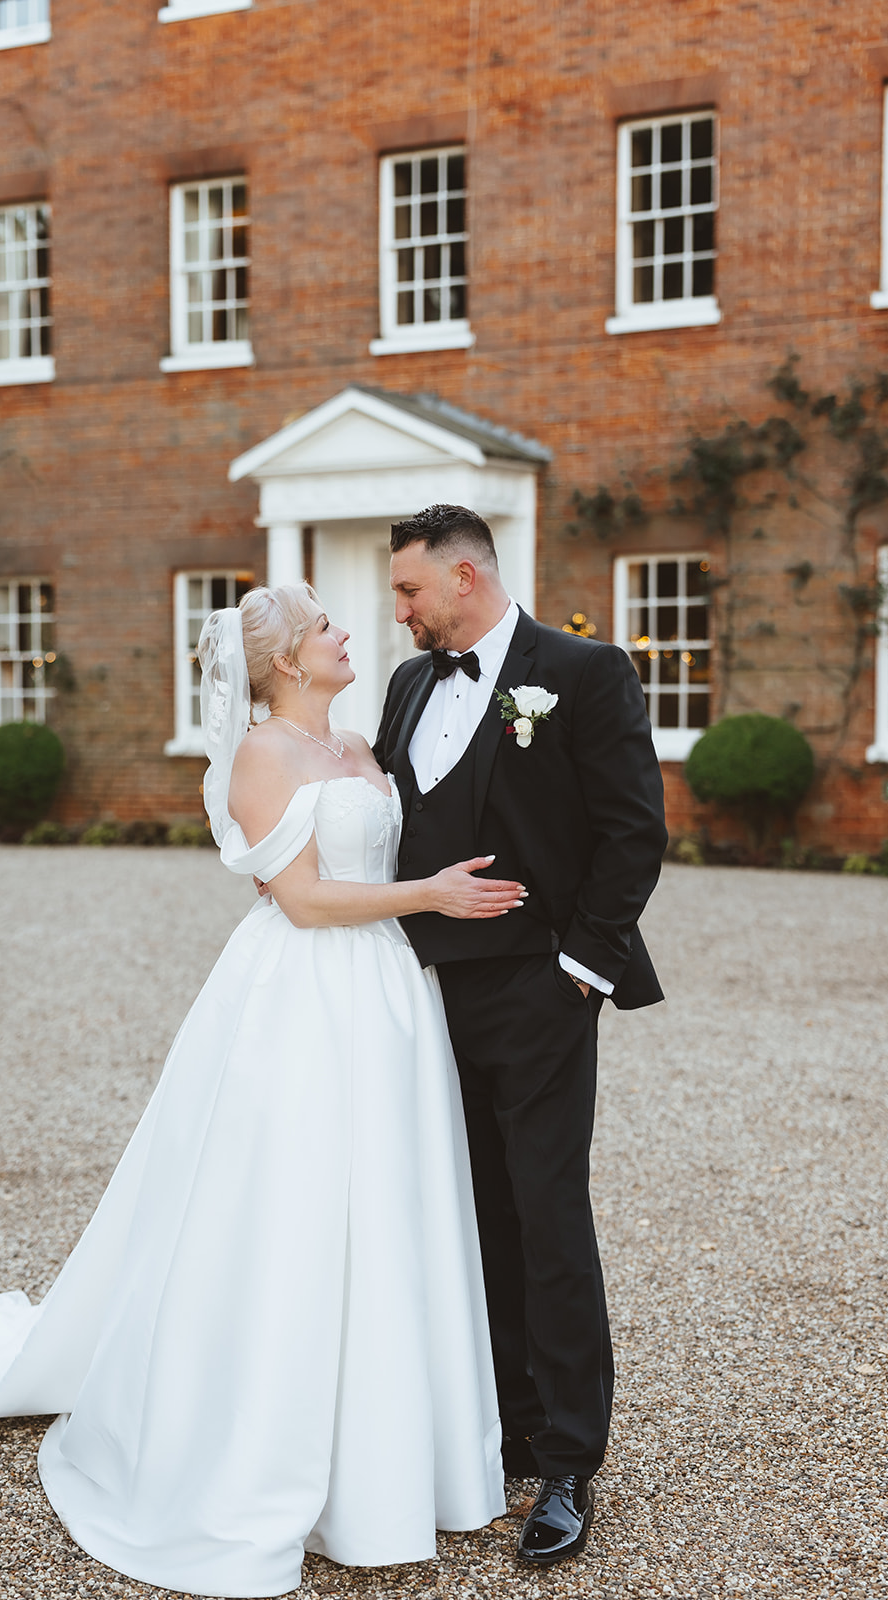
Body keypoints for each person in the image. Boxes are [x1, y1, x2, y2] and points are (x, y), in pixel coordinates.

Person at [0, 583, 525, 1599]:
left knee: (389, 1207)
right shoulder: (261, 757)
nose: (342, 633)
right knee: (295, 1206)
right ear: (286, 662)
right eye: (324, 626)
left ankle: (396, 1454)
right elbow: (305, 897)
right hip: (305, 992)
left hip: (387, 996)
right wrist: (429, 894)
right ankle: (268, 1456)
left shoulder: (361, 746)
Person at [373, 503, 668, 1567]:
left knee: (545, 1212)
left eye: (408, 590)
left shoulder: (581, 671)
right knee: (467, 1207)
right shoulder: (409, 685)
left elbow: (634, 830)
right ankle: (499, 1416)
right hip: (418, 995)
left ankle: (569, 1455)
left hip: (539, 992)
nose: (395, 611)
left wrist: (578, 973)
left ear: (462, 576)